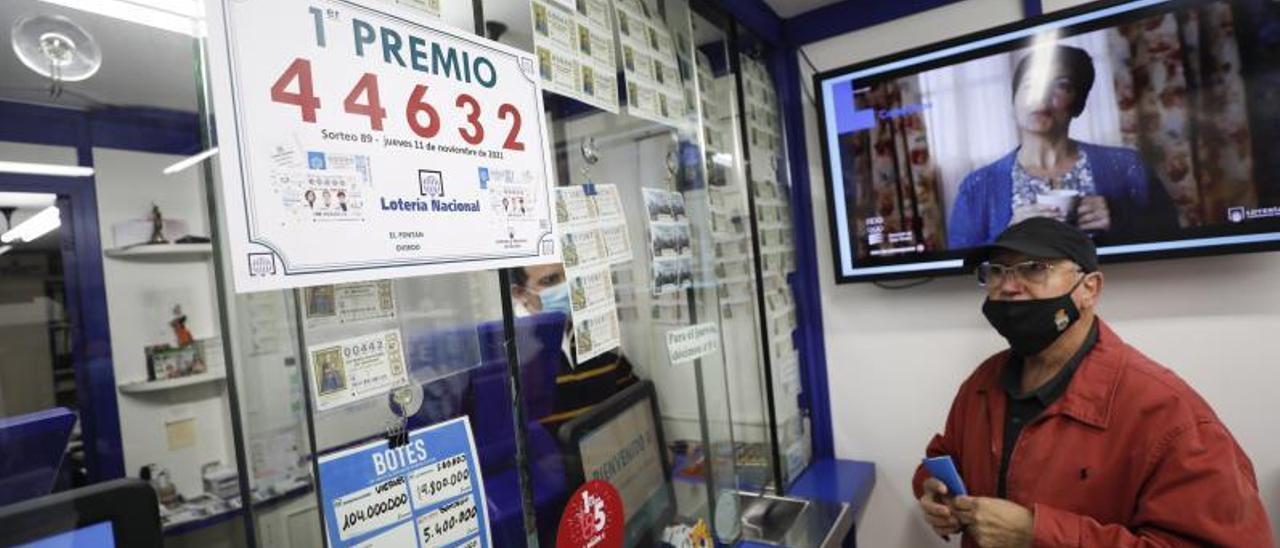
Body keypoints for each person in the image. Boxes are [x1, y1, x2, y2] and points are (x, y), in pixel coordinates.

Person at [915, 217, 1273, 547]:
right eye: (996, 271)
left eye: (1035, 269)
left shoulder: (1168, 414)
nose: (1008, 287)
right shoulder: (982, 384)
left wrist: (1036, 533)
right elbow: (946, 458)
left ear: (1089, 288)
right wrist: (934, 492)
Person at [948, 45, 1178, 249]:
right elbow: (961, 269)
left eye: (1061, 86)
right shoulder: (977, 186)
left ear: (1078, 104)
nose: (1041, 96)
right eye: (1030, 86)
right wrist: (1007, 236)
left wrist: (1119, 221)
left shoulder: (1128, 167)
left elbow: (1172, 235)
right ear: (1013, 103)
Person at [510, 263, 637, 430]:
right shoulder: (510, 356)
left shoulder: (595, 334)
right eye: (550, 280)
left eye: (571, 276)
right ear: (520, 294)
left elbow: (635, 403)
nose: (567, 287)